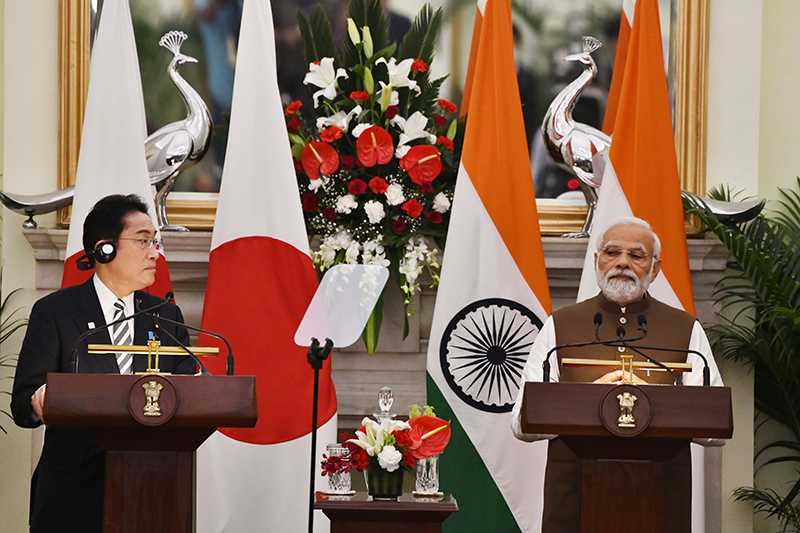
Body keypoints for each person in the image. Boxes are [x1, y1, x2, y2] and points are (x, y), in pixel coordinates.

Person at [510, 216, 723, 533]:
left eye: (636, 255)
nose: (622, 263)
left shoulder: (685, 329)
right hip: (574, 495)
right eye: (612, 253)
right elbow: (520, 424)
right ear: (596, 261)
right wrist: (589, 401)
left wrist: (653, 402)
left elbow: (715, 431)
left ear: (655, 269)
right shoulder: (560, 325)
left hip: (661, 495)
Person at [11, 194, 196, 533]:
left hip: (152, 494)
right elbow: (23, 402)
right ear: (104, 250)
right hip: (71, 497)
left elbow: (190, 394)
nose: (155, 252)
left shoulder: (167, 316)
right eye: (143, 241)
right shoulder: (55, 312)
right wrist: (41, 398)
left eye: (154, 241)